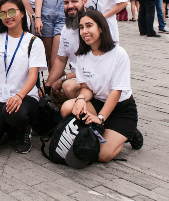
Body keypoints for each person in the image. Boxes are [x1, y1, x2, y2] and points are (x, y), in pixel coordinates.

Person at [60, 9, 142, 162]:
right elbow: (86, 88)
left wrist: (101, 118)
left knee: (102, 156)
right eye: (81, 27)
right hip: (98, 102)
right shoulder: (82, 56)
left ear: (101, 28)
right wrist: (81, 100)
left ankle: (127, 134)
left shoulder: (119, 54)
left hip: (121, 109)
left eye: (89, 26)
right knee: (66, 108)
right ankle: (100, 130)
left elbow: (116, 92)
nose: (85, 31)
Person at [0, 0, 47, 155]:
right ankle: (6, 127)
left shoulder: (34, 42)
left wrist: (19, 96)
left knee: (12, 112)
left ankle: (23, 128)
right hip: (0, 97)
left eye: (12, 11)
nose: (7, 17)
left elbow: (33, 76)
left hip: (25, 97)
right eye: (3, 14)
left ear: (22, 14)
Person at [43, 0, 88, 102]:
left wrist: (62, 79)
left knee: (68, 87)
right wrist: (48, 84)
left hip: (93, 78)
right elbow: (60, 60)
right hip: (76, 77)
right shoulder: (66, 29)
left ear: (85, 2)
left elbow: (91, 68)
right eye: (66, 2)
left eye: (74, 1)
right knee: (44, 93)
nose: (70, 6)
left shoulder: (93, 27)